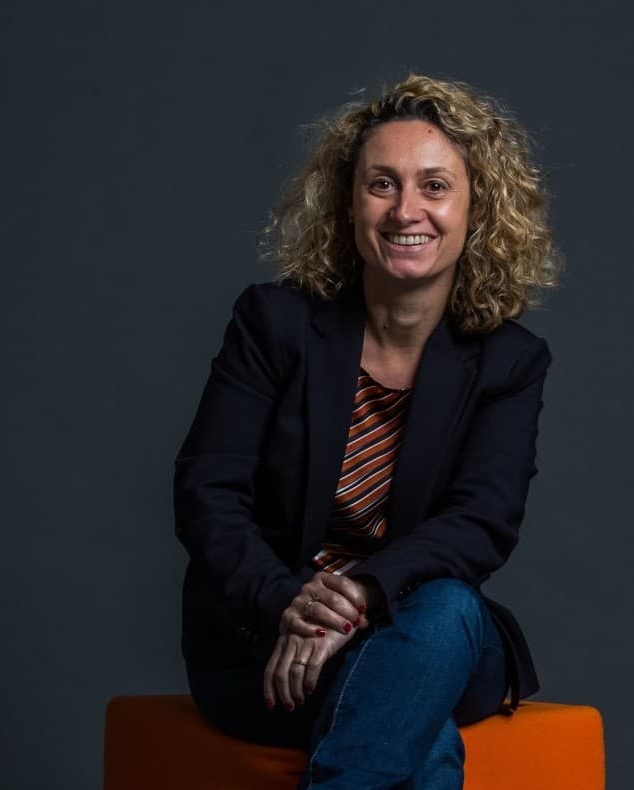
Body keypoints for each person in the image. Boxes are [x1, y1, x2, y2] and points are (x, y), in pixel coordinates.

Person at [174, 73, 562, 788]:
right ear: (347, 205)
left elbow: (482, 521)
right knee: (420, 728)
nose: (405, 209)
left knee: (446, 606)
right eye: (381, 184)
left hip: (427, 632)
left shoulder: (509, 362)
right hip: (266, 647)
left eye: (435, 186)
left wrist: (357, 595)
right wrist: (291, 602)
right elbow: (208, 491)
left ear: (477, 209)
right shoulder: (274, 324)